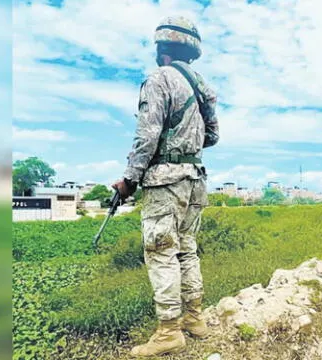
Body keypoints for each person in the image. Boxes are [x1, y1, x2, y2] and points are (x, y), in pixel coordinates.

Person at [112, 16, 219, 357]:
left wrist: (129, 180)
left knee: (161, 251)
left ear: (162, 48)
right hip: (195, 180)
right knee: (186, 248)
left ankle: (169, 330)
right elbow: (213, 136)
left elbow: (146, 136)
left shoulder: (159, 79)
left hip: (165, 182)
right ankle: (194, 318)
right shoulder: (203, 87)